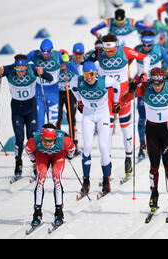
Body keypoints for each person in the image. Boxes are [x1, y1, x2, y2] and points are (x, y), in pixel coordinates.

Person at [122, 67, 168, 212]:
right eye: (154, 84)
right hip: (152, 130)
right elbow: (124, 100)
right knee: (153, 166)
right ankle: (154, 194)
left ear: (164, 81)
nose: (157, 87)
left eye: (159, 84)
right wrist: (131, 89)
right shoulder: (145, 87)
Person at [85, 33, 151, 179]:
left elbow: (145, 58)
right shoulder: (98, 54)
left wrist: (144, 73)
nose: (109, 54)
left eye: (112, 50)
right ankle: (107, 165)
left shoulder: (124, 51)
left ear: (116, 46)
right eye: (106, 51)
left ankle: (128, 157)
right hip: (106, 99)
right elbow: (83, 66)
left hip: (123, 96)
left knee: (125, 127)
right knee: (106, 131)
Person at [0, 54, 53, 179]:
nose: (20, 73)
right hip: (17, 109)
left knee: (31, 138)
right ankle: (18, 162)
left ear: (26, 67)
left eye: (22, 70)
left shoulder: (32, 69)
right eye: (18, 70)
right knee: (19, 137)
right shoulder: (9, 69)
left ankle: (35, 163)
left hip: (30, 108)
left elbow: (50, 78)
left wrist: (42, 73)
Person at [71, 61, 121, 196]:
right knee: (86, 146)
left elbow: (117, 86)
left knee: (103, 147)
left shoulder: (104, 81)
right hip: (88, 115)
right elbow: (72, 87)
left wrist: (116, 102)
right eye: (87, 75)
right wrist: (79, 101)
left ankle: (106, 180)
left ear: (96, 73)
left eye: (92, 74)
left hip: (103, 114)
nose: (89, 77)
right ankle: (86, 181)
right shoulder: (78, 80)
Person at [25, 124, 76, 227]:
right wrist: (33, 159)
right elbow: (28, 150)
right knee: (40, 178)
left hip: (58, 155)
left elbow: (72, 149)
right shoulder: (34, 140)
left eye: (50, 141)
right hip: (42, 155)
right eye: (45, 141)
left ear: (55, 139)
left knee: (56, 176)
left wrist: (69, 157)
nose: (48, 144)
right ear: (41, 138)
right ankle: (37, 213)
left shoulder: (64, 140)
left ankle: (59, 212)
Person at [26, 39, 78, 131]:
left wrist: (68, 61)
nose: (45, 56)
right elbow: (20, 63)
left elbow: (75, 70)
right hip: (39, 91)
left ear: (52, 50)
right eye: (43, 53)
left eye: (48, 54)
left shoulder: (58, 55)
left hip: (53, 92)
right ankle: (39, 143)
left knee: (53, 123)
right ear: (40, 50)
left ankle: (53, 143)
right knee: (39, 122)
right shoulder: (35, 54)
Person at [56, 43, 85, 153]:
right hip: (58, 93)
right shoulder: (57, 64)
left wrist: (67, 66)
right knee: (57, 119)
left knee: (71, 117)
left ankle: (74, 143)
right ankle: (57, 143)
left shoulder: (71, 63)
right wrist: (60, 68)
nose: (78, 56)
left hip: (70, 92)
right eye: (76, 54)